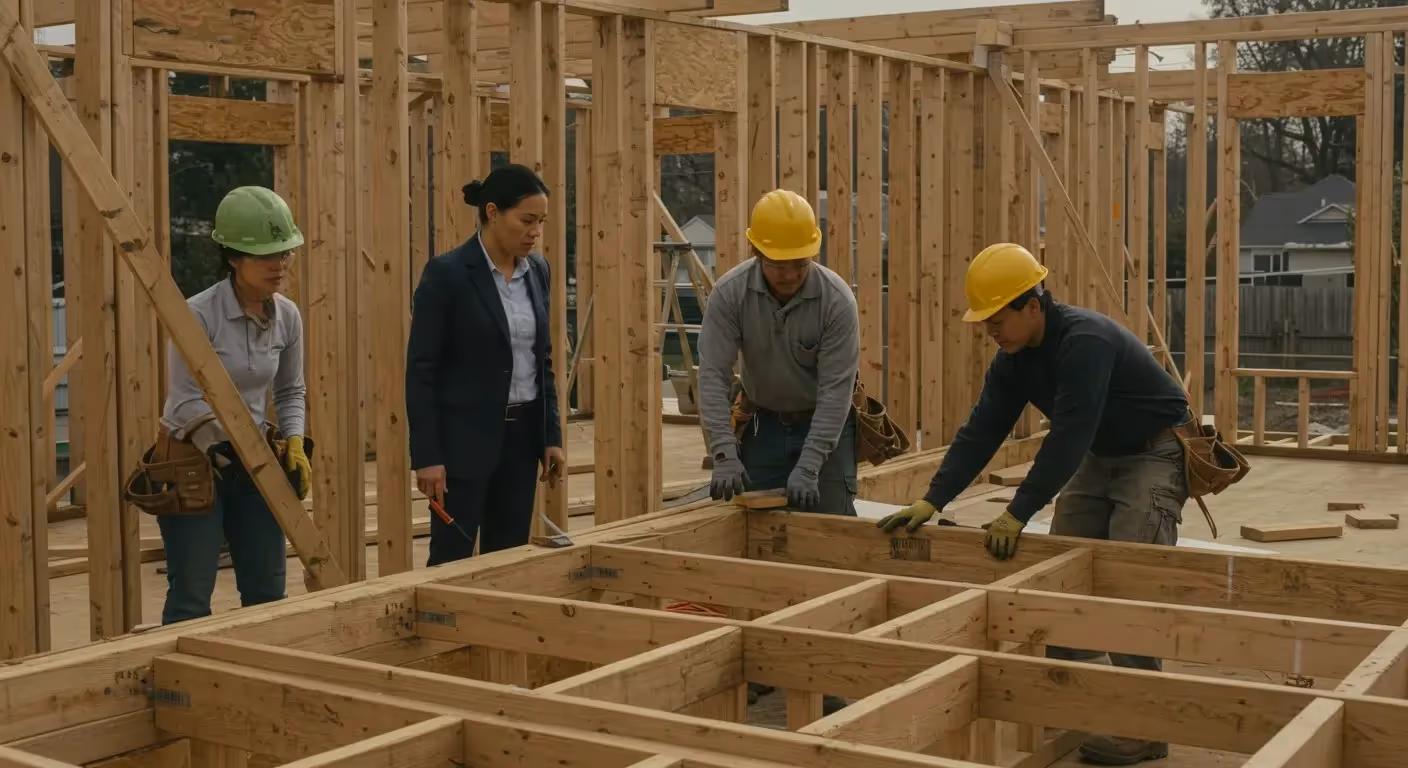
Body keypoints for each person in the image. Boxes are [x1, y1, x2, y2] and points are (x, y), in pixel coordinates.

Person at [875, 242, 1209, 766]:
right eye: (984, 320)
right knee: (1062, 573)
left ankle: (1144, 727)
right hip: (1101, 452)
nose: (990, 329)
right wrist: (931, 499)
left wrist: (1019, 510)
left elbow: (1068, 436)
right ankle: (1082, 700)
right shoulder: (1013, 361)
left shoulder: (1085, 342)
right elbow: (982, 430)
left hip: (1153, 452)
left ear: (1033, 305)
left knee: (1127, 585)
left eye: (997, 318)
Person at [153, 186, 311, 625]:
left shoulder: (288, 316)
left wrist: (294, 442)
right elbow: (184, 399)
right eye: (266, 256)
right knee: (191, 595)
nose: (279, 265)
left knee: (267, 590)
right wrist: (220, 446)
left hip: (255, 458)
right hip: (192, 457)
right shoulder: (198, 314)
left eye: (285, 254)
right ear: (234, 258)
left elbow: (290, 391)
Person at [406, 164, 565, 567]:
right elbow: (422, 371)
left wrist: (550, 435)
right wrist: (427, 456)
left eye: (541, 222)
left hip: (521, 441)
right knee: (451, 559)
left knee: (508, 560)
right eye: (527, 220)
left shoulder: (538, 272)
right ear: (492, 212)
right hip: (463, 447)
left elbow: (540, 359)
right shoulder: (448, 275)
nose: (535, 232)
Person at [698, 188, 861, 516]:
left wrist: (811, 463)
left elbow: (835, 393)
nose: (790, 275)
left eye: (799, 264)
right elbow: (713, 377)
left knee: (833, 533)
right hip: (763, 425)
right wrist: (723, 453)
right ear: (757, 251)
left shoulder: (836, 301)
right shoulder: (731, 295)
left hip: (827, 424)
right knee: (757, 532)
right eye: (779, 265)